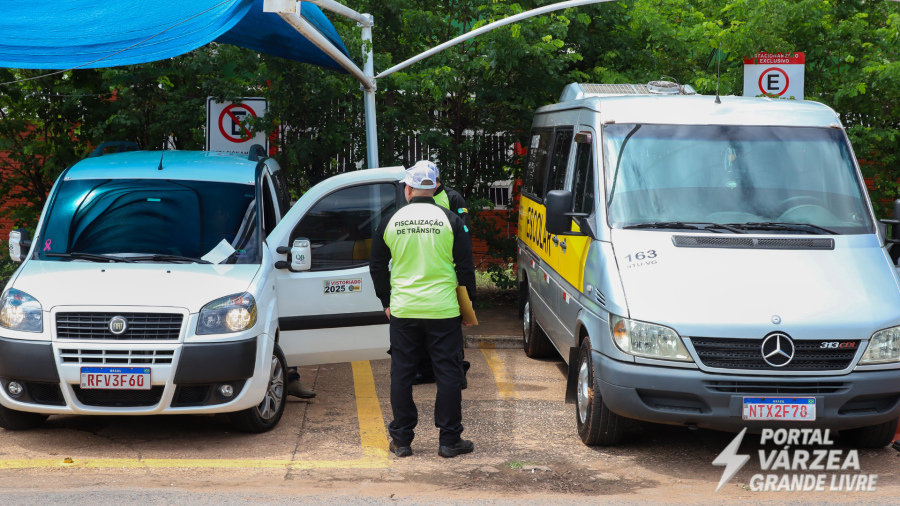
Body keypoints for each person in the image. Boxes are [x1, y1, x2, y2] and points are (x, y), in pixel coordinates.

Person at [369, 162, 477, 458]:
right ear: (434, 188)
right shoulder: (452, 220)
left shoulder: (390, 220)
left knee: (402, 374)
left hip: (404, 311)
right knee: (449, 374)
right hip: (443, 310)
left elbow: (376, 266)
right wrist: (468, 308)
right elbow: (466, 268)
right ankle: (449, 440)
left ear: (408, 189)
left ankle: (402, 440)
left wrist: (386, 301)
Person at [406, 161, 471, 387]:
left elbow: (463, 236)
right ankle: (425, 370)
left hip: (447, 272)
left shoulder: (453, 199)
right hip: (421, 269)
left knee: (451, 327)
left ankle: (458, 370)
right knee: (423, 326)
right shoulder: (413, 199)